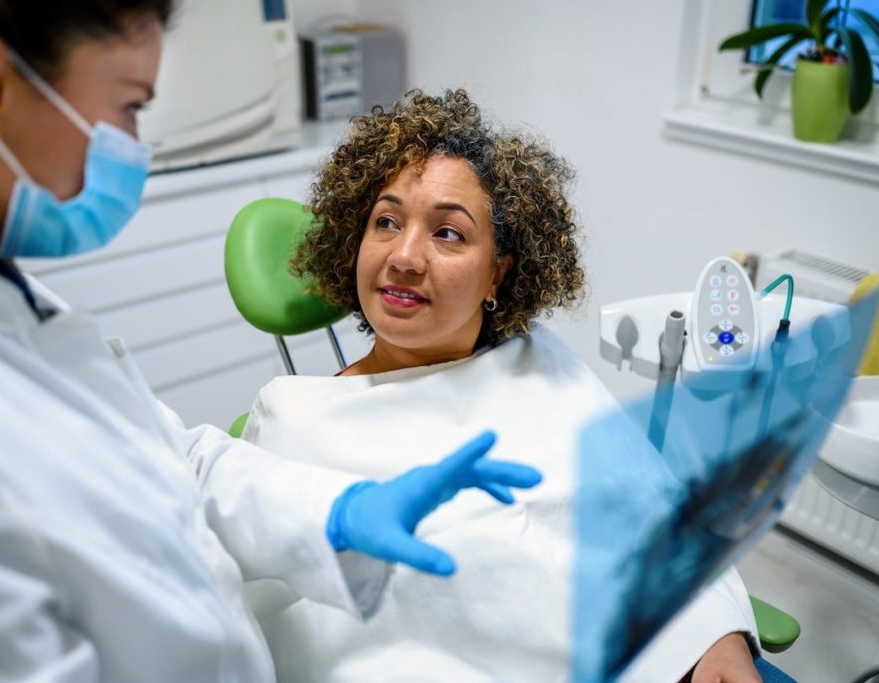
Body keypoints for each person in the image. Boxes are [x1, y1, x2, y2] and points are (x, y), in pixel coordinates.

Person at [0, 3, 544, 681]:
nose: (134, 148)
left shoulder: (3, 295)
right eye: (128, 108)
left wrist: (341, 513)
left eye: (449, 232)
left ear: (498, 273)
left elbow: (177, 459)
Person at [241, 90, 763, 682]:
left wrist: (713, 631)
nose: (405, 256)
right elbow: (294, 629)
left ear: (499, 272)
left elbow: (653, 506)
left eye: (448, 234)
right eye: (385, 222)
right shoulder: (295, 419)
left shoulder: (539, 362)